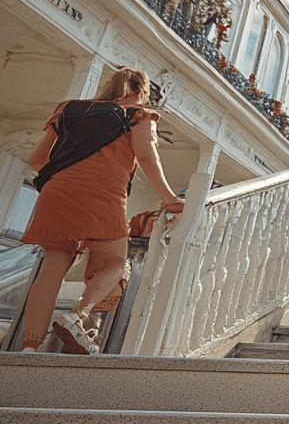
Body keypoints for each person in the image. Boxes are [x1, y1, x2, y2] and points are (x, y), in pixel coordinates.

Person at [17, 66, 182, 354]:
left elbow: (36, 159)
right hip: (103, 195)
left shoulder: (68, 110)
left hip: (57, 192)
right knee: (116, 264)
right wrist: (169, 197)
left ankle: (29, 346)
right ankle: (76, 315)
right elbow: (145, 156)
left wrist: (69, 179)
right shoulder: (139, 115)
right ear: (138, 92)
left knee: (53, 265)